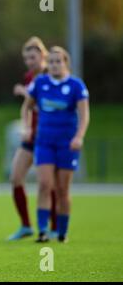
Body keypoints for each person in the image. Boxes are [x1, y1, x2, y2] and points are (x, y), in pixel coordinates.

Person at [22, 46, 90, 243]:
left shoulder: (76, 86)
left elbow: (84, 115)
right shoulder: (40, 83)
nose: (54, 65)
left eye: (58, 61)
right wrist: (27, 127)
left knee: (62, 190)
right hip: (44, 142)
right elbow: (26, 107)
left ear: (65, 63)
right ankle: (42, 231)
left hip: (67, 144)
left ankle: (62, 232)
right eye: (50, 62)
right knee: (44, 184)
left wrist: (79, 136)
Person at [7, 36, 58, 241]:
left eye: (33, 57)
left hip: (48, 136)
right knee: (15, 177)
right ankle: (26, 225)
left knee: (47, 184)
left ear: (43, 56)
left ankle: (55, 228)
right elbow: (28, 107)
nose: (30, 62)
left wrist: (25, 92)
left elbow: (49, 104)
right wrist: (26, 127)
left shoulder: (51, 75)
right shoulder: (30, 76)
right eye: (26, 58)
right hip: (32, 136)